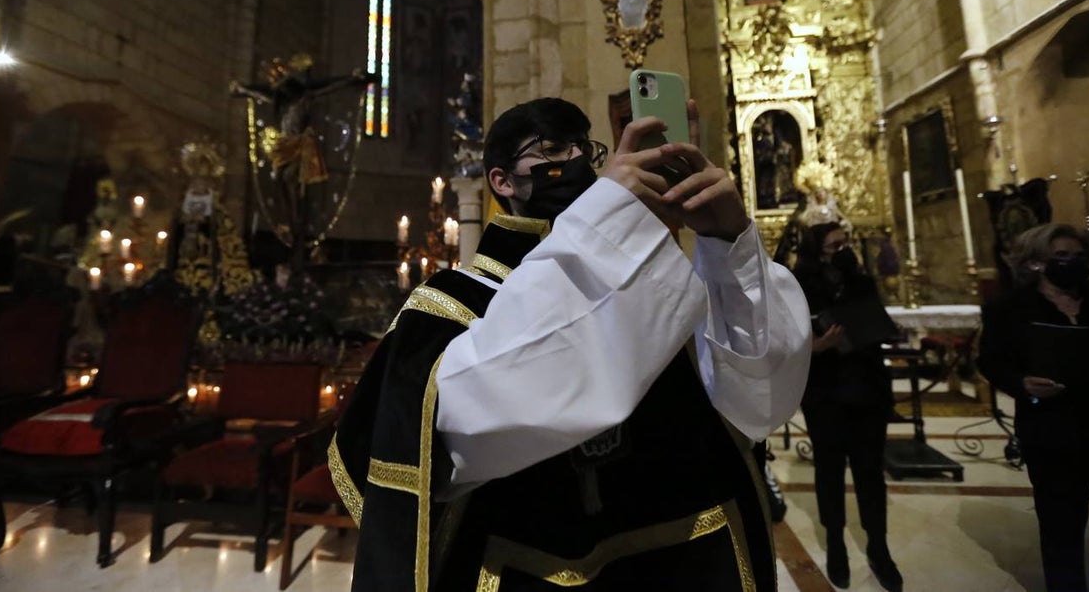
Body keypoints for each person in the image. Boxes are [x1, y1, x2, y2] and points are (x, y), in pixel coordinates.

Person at [329, 97, 811, 590]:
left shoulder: (651, 276)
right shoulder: (449, 303)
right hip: (523, 572)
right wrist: (609, 220)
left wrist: (730, 244)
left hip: (686, 563)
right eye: (554, 150)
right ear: (502, 181)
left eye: (584, 147)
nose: (577, 159)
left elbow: (759, 399)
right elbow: (474, 418)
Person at [977, 223, 1089, 592]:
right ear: (1035, 263)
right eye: (1060, 256)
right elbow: (992, 362)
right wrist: (1022, 384)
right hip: (1051, 430)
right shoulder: (1009, 309)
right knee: (1062, 528)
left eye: (1078, 256)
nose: (1071, 263)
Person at [792, 222, 902, 591]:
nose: (843, 250)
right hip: (825, 392)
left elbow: (874, 321)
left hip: (867, 387)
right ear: (816, 250)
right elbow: (787, 338)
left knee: (870, 470)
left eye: (846, 243)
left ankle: (879, 546)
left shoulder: (862, 282)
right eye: (834, 246)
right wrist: (817, 346)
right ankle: (836, 541)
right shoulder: (800, 286)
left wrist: (882, 328)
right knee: (829, 469)